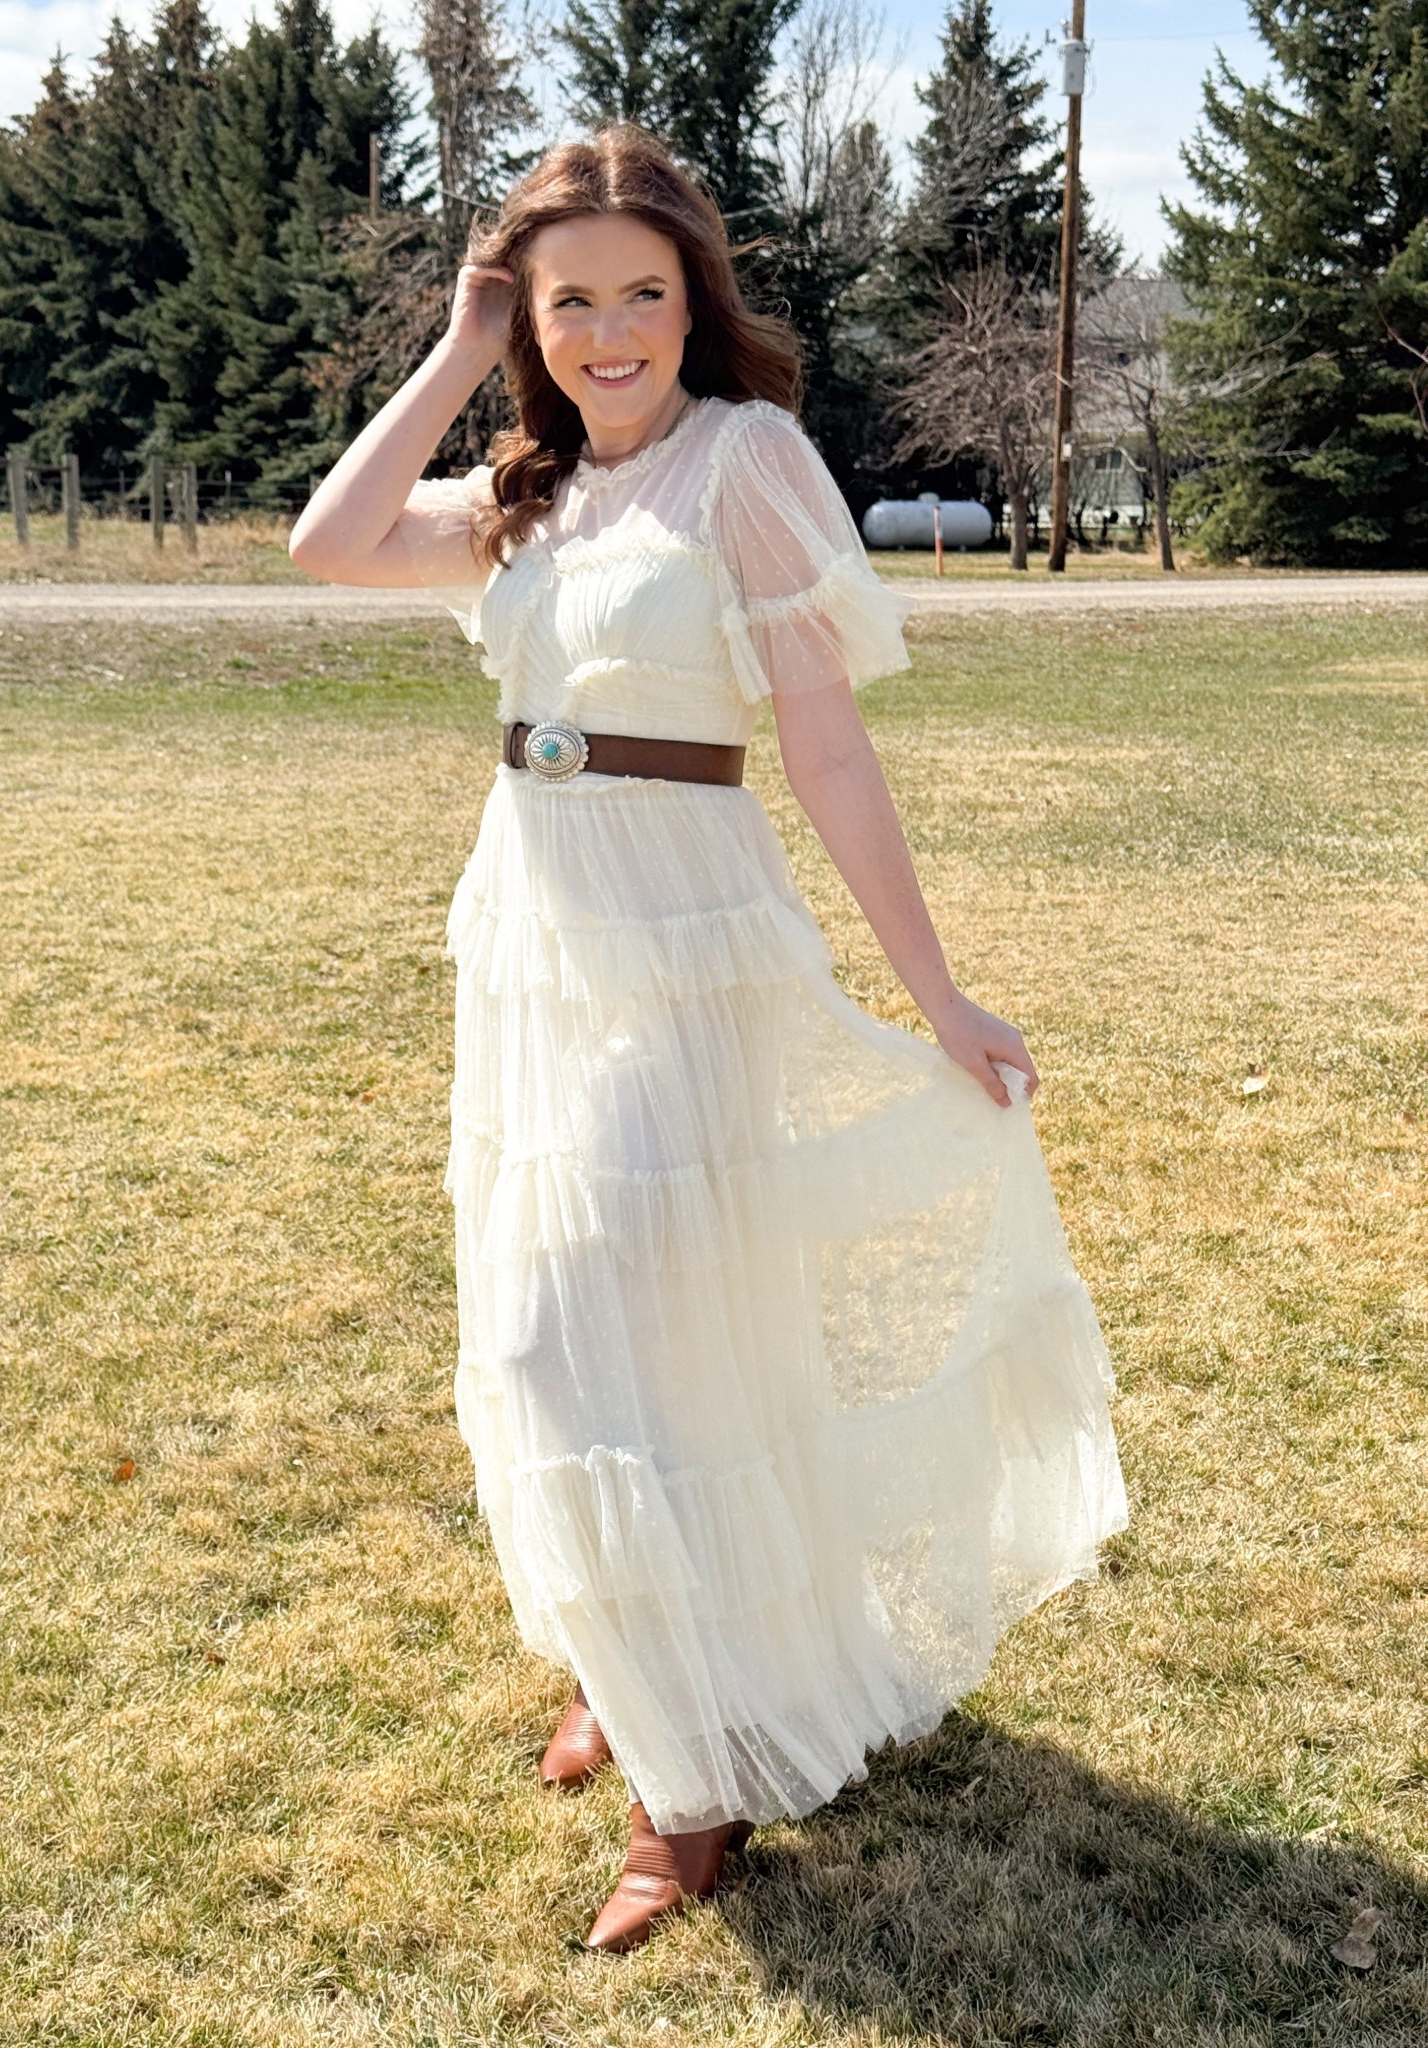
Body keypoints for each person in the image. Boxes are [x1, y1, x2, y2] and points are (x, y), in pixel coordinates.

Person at [289, 123, 1129, 1955]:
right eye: (568, 301)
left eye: (642, 296)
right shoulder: (521, 488)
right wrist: (452, 352)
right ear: (531, 315)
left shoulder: (744, 465)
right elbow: (325, 538)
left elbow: (825, 744)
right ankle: (636, 1657)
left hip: (685, 943)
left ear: (695, 303)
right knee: (574, 1325)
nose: (608, 334)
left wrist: (938, 993)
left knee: (581, 1342)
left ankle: (695, 1792)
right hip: (532, 935)